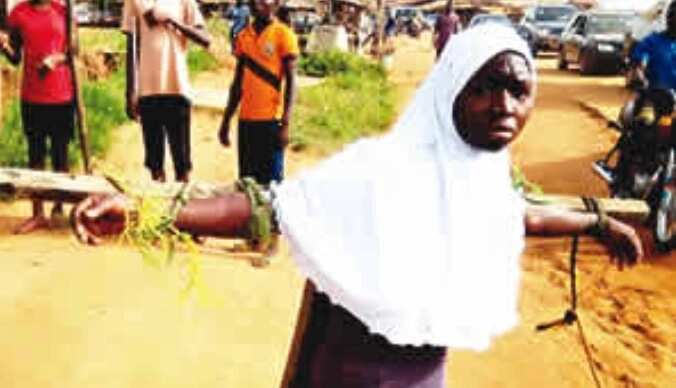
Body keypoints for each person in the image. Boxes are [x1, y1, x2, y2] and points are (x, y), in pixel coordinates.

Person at [73, 25, 643, 387]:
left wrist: (596, 222)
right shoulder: (379, 169)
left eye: (519, 91)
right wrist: (145, 211)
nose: (503, 105)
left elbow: (523, 216)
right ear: (450, 91)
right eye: (485, 86)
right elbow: (264, 208)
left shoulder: (483, 183)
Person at [0, 0, 76, 234]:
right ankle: (37, 213)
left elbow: (74, 51)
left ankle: (59, 206)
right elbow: (15, 56)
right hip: (32, 95)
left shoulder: (63, 10)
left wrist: (56, 60)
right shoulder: (18, 14)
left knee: (60, 153)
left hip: (62, 93)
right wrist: (4, 46)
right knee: (36, 154)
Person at [122, 0, 211, 183]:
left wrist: (173, 22)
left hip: (177, 87)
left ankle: (183, 209)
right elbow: (131, 44)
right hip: (147, 90)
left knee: (182, 164)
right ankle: (159, 210)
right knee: (155, 165)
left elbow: (205, 39)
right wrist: (131, 90)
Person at [218, 0, 298, 186]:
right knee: (248, 185)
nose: (258, 3)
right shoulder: (243, 36)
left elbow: (292, 83)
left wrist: (285, 123)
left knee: (272, 188)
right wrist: (226, 120)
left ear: (276, 4)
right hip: (246, 123)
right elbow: (237, 84)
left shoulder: (284, 35)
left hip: (271, 124)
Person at [630, 0, 676, 91]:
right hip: (658, 96)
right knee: (631, 104)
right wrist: (640, 75)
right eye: (673, 16)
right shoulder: (652, 42)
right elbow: (641, 62)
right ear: (668, 18)